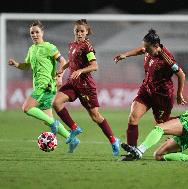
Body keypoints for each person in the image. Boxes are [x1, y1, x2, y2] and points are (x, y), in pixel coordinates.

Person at [114, 29, 186, 160]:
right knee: (133, 117)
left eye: (147, 48)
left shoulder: (167, 59)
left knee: (161, 124)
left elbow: (181, 74)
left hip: (162, 96)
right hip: (146, 90)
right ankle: (133, 153)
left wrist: (179, 94)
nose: (145, 50)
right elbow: (141, 50)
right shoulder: (148, 49)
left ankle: (186, 123)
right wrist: (126, 55)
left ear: (156, 46)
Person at [8, 21, 79, 153]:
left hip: (46, 85)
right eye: (32, 33)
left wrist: (59, 76)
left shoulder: (49, 47)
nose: (34, 35)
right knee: (48, 119)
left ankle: (54, 124)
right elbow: (27, 66)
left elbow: (63, 61)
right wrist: (16, 64)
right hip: (41, 86)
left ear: (42, 33)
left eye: (37, 32)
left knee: (26, 108)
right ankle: (72, 138)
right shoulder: (32, 49)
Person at [52, 19, 120, 156]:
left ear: (87, 32)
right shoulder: (72, 45)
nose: (79, 33)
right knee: (56, 103)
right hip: (73, 83)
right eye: (77, 30)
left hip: (86, 86)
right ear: (74, 31)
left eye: (82, 31)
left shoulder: (87, 46)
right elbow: (72, 61)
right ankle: (74, 128)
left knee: (95, 116)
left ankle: (113, 140)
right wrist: (62, 69)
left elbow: (95, 66)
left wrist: (81, 71)